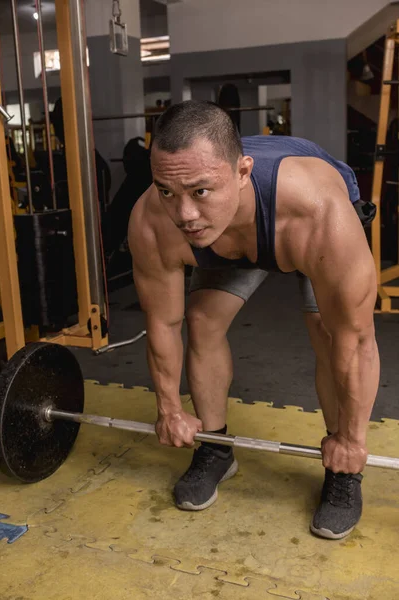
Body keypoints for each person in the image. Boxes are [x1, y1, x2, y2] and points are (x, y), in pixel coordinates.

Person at [128, 100, 379, 541]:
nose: (184, 214)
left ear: (243, 173)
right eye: (167, 190)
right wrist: (168, 407)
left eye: (200, 190)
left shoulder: (319, 211)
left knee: (327, 333)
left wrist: (353, 442)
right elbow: (163, 324)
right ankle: (216, 448)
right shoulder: (155, 219)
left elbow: (355, 340)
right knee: (201, 320)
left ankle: (342, 471)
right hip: (229, 232)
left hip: (286, 224)